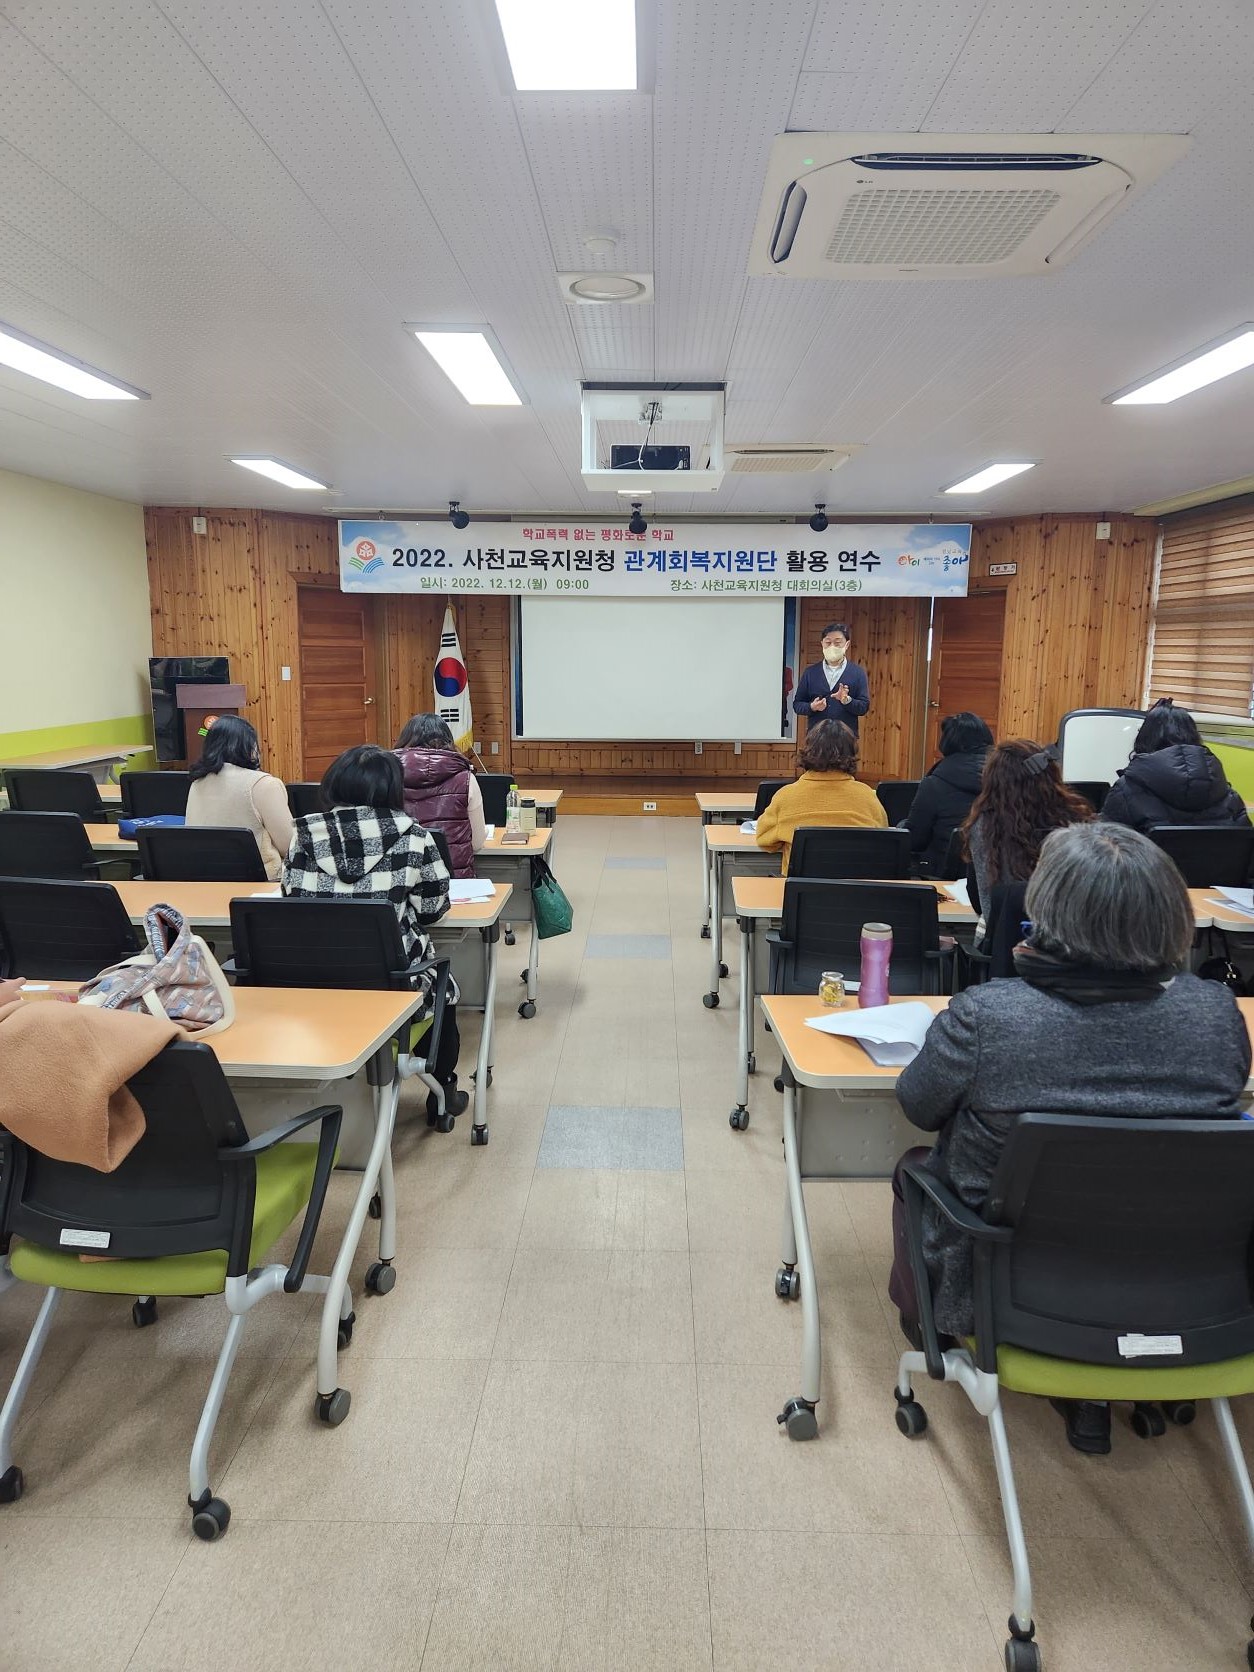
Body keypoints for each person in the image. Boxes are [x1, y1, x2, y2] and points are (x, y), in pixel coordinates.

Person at [887, 823, 1251, 1456]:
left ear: (1047, 911)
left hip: (1010, 1299)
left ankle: (931, 1324)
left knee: (913, 1170)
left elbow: (918, 1105)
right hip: (1195, 1300)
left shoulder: (990, 1016)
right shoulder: (1216, 1015)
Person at [282, 745, 465, 1122]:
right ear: (392, 789)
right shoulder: (414, 837)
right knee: (442, 987)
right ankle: (443, 1089)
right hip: (390, 987)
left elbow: (290, 898)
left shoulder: (303, 835)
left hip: (310, 982)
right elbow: (432, 909)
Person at [962, 739, 1093, 924]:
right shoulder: (1077, 820)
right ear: (1050, 775)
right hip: (1068, 933)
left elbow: (982, 903)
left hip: (1005, 935)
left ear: (994, 782)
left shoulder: (985, 826)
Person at [1100, 697, 1251, 834]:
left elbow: (1105, 847)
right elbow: (1245, 847)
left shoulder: (1126, 791)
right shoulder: (1228, 795)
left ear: (1145, 738)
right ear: (1194, 736)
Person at [756, 719, 886, 870]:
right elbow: (883, 839)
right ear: (851, 753)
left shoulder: (786, 796)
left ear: (809, 750)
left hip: (802, 885)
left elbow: (764, 840)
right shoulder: (868, 797)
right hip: (857, 884)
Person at [185, 714, 294, 882]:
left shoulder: (197, 783)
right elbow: (289, 847)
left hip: (205, 880)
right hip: (262, 884)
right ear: (249, 747)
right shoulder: (264, 784)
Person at [394, 713, 486, 879]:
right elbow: (477, 842)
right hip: (453, 881)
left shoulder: (386, 777)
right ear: (448, 741)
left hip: (400, 881)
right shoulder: (466, 779)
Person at [902, 712, 994, 876]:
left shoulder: (934, 784)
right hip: (996, 876)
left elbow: (915, 841)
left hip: (942, 876)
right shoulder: (1009, 780)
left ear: (947, 742)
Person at [792, 622, 870, 736]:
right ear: (822, 644)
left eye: (837, 643)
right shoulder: (811, 673)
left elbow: (864, 707)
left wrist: (846, 700)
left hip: (846, 737)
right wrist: (812, 707)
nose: (832, 647)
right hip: (816, 737)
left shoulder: (857, 673)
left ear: (847, 644)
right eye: (828, 642)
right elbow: (797, 705)